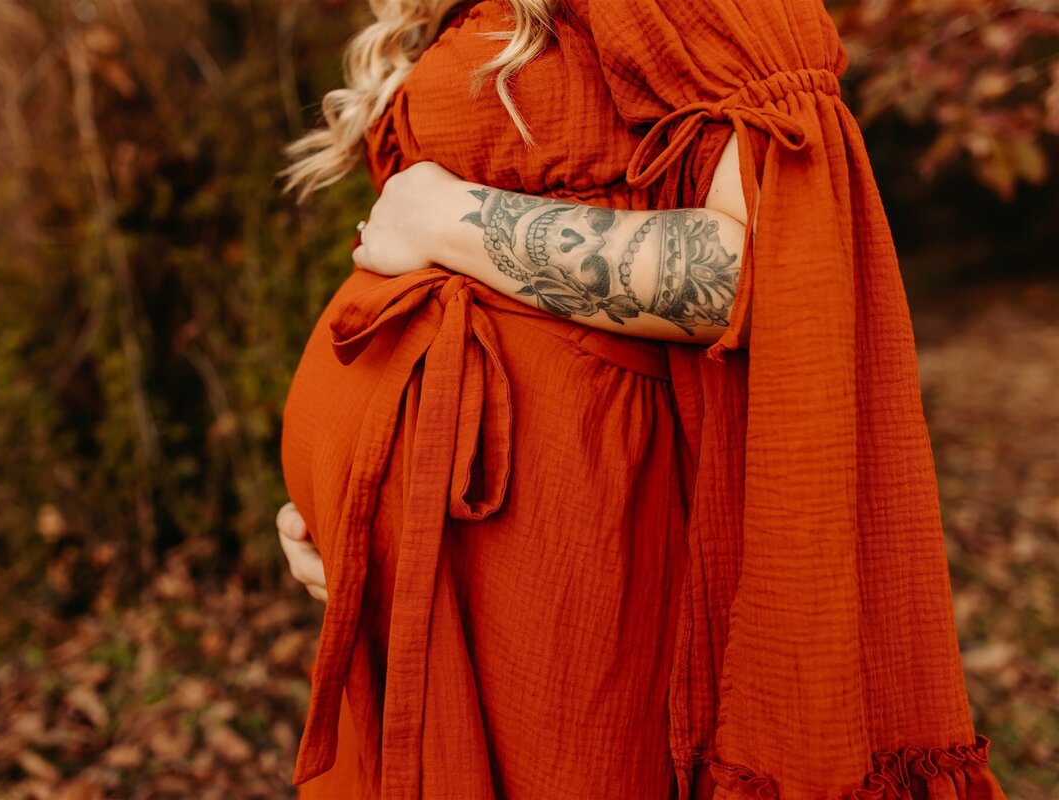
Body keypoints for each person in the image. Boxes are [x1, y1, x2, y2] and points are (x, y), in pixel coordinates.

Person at [275, 1, 1007, 798]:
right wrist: (354, 512)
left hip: (585, 581)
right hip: (433, 601)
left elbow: (767, 270)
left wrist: (451, 220)